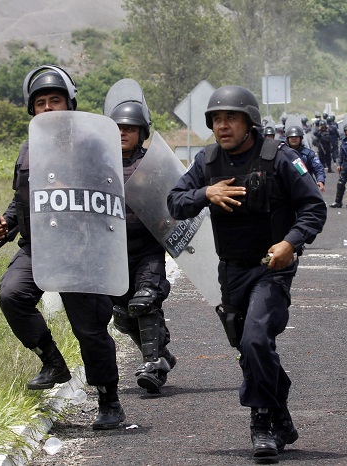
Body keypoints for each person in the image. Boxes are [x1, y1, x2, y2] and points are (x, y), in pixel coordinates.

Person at [167, 85, 327, 460]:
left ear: (249, 121)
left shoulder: (279, 158)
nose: (223, 126)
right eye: (216, 120)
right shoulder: (206, 162)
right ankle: (281, 411)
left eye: (231, 118)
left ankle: (262, 423)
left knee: (256, 339)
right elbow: (175, 202)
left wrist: (291, 243)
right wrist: (204, 194)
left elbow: (313, 209)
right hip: (231, 271)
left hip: (272, 268)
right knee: (249, 349)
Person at [0, 65, 124, 430]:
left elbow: (111, 191)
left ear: (70, 104)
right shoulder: (28, 149)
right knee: (12, 294)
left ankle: (109, 399)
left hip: (81, 248)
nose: (48, 108)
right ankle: (52, 361)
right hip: (39, 245)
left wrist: (74, 184)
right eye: (41, 103)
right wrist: (7, 223)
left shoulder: (93, 143)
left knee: (90, 329)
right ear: (32, 110)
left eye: (55, 100)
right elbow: (22, 198)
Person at [105, 84, 176, 394]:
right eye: (118, 127)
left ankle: (153, 366)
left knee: (145, 300)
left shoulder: (153, 162)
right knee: (121, 315)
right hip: (111, 251)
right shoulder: (98, 163)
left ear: (141, 131)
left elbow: (175, 197)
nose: (123, 133)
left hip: (146, 249)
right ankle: (161, 353)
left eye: (130, 128)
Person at [285, 125, 326, 193]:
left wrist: (320, 180)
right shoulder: (283, 154)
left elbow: (318, 168)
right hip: (288, 188)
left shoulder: (308, 154)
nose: (294, 139)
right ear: (287, 138)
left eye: (296, 137)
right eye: (291, 137)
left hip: (306, 187)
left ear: (301, 138)